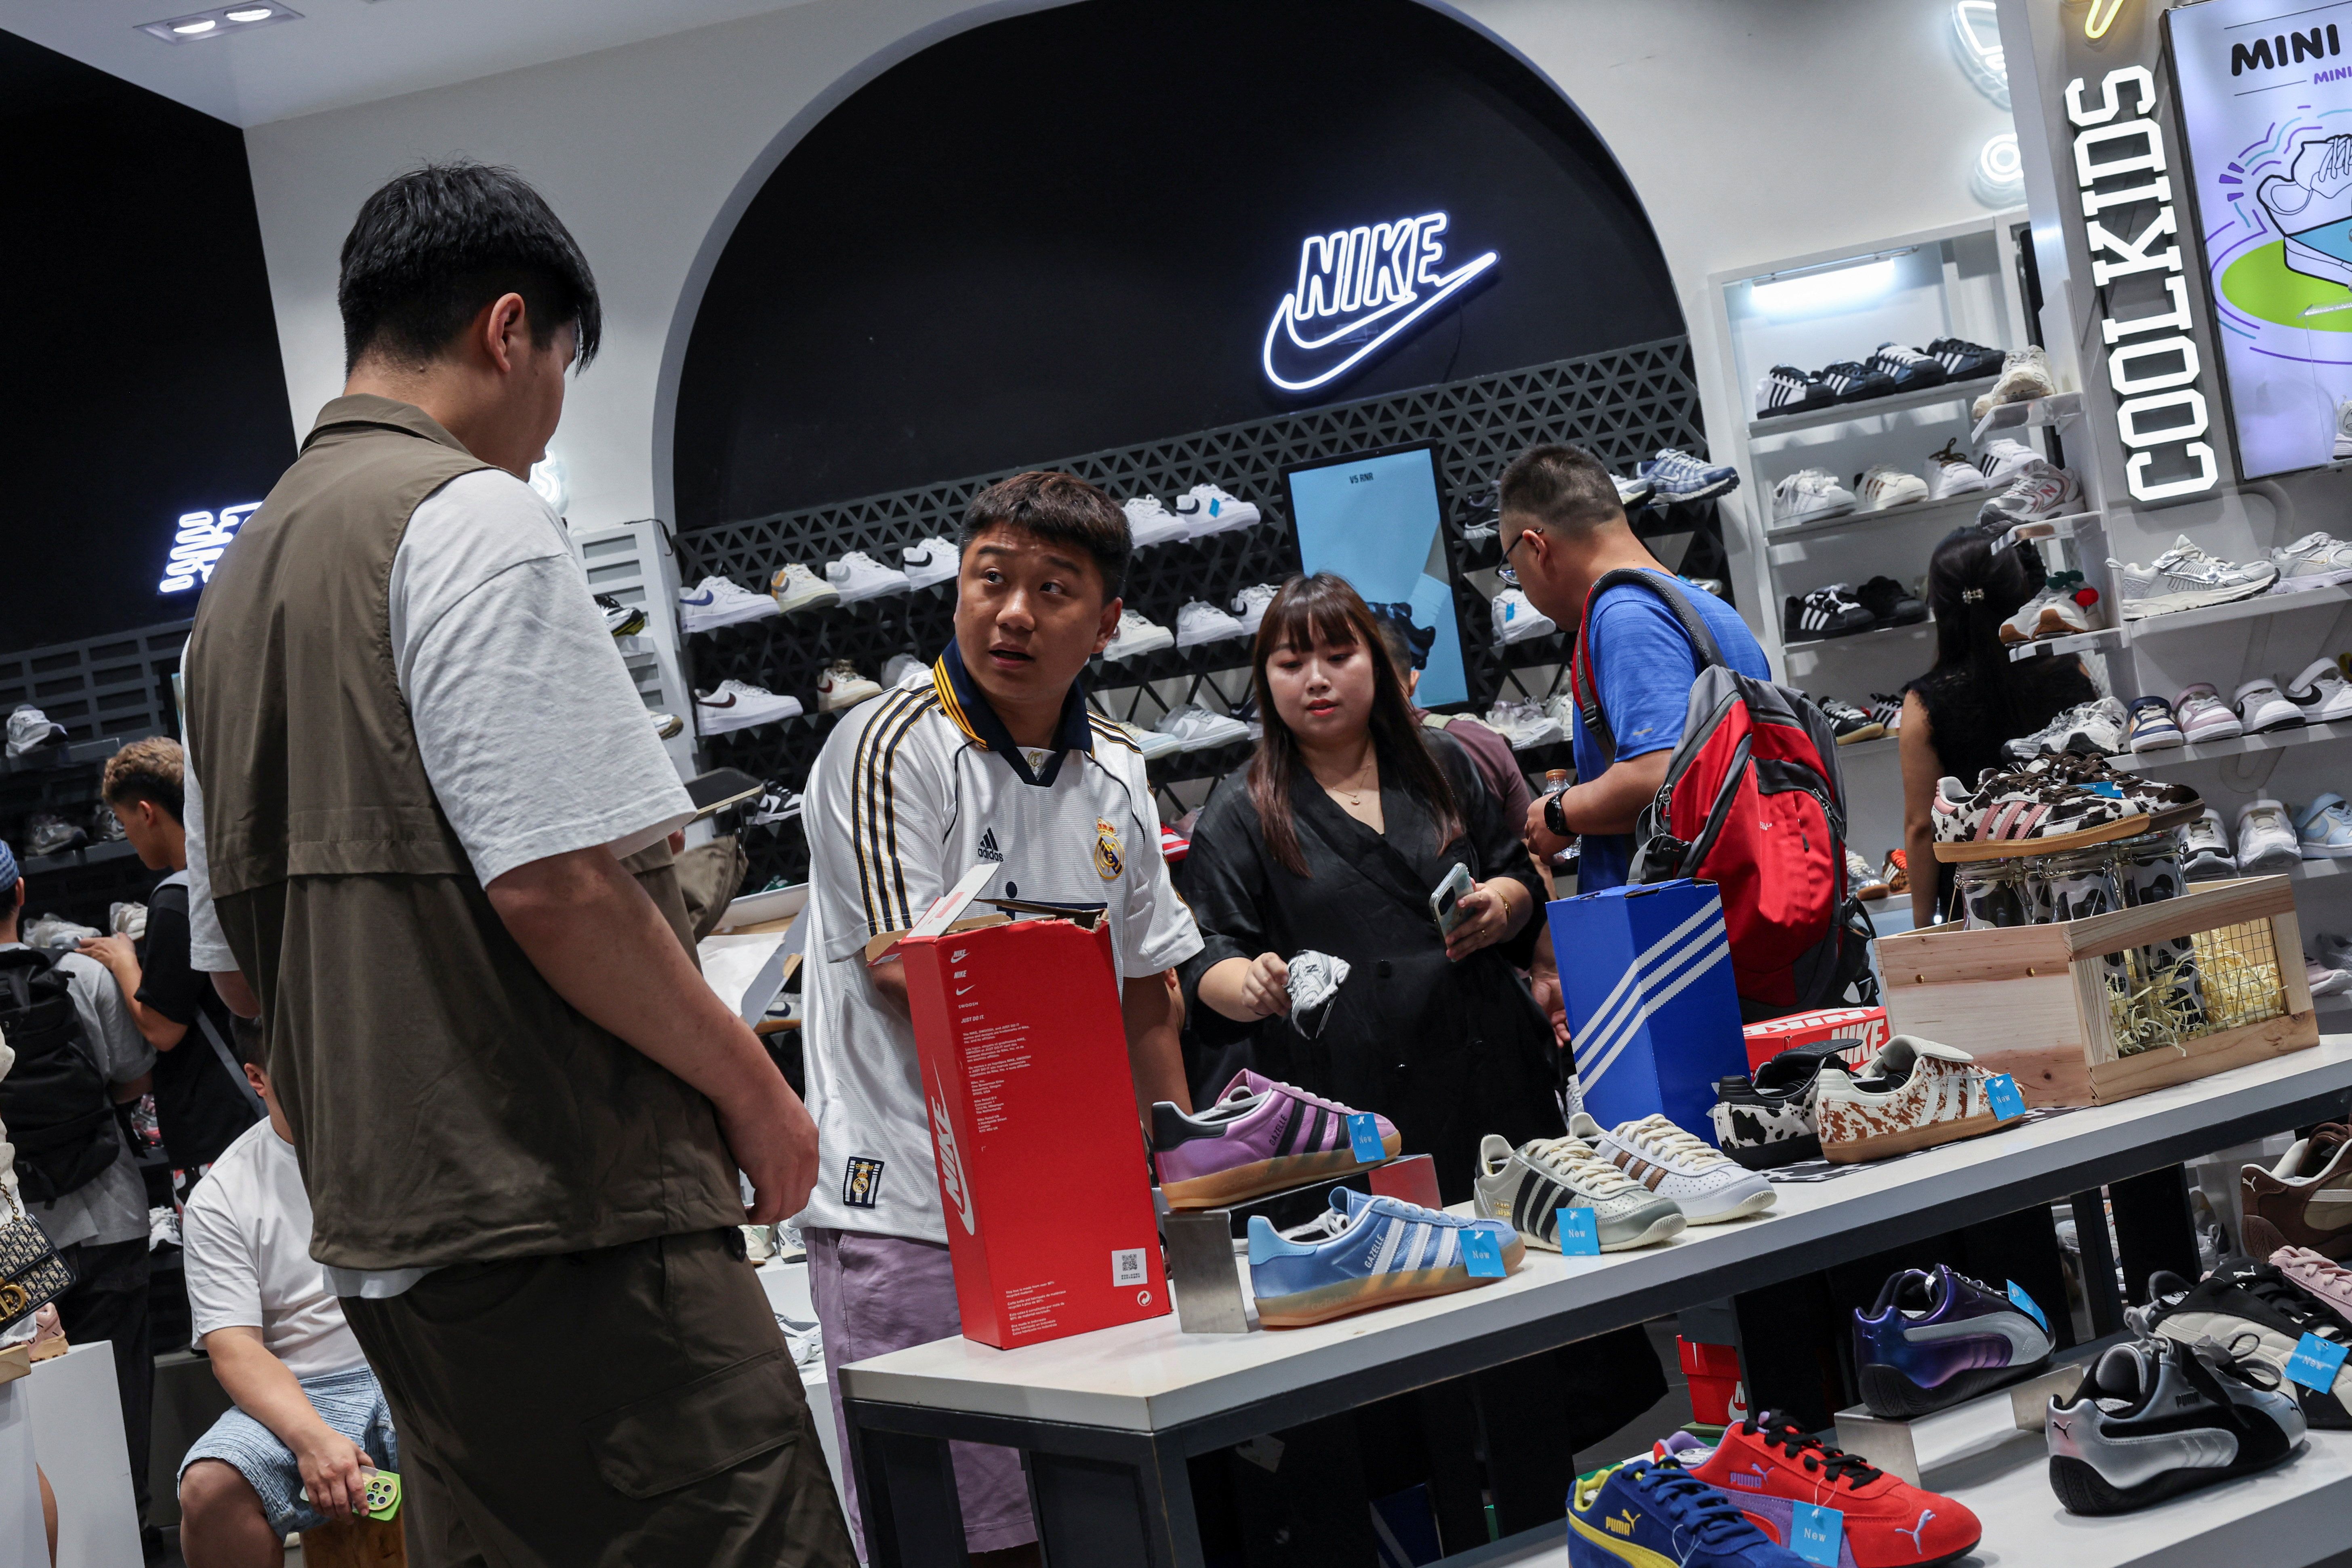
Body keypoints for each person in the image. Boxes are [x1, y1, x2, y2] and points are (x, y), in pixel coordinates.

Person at [179, 162, 850, 1566]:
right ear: (507, 330)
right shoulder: (469, 517)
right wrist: (755, 1094)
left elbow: (239, 978)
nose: (548, 428)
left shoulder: (229, 605)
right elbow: (559, 887)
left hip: (388, 1253)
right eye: (558, 372)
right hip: (570, 1226)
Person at [797, 470, 1199, 1563]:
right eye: (989, 580)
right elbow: (901, 969)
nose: (1013, 612)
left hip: (1084, 1215)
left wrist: (1182, 1174)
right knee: (959, 1540)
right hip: (912, 1212)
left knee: (1109, 1514)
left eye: (1052, 589)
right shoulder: (883, 748)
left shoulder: (1118, 765)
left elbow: (1144, 992)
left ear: (1106, 623)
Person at [1182, 574, 1559, 1198]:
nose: (1316, 679)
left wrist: (1501, 905)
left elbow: (1516, 872)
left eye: (1338, 656)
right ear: (1265, 678)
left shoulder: (1442, 762)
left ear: (1377, 664)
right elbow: (1207, 953)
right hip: (1349, 1101)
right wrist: (1249, 984)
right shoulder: (1240, 809)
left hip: (1488, 1066)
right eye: (1291, 662)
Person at [177, 1021, 399, 1567]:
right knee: (209, 1488)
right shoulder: (223, 1193)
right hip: (312, 1386)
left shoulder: (402, 1137)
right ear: (258, 1077)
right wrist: (312, 1438)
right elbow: (234, 1347)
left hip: (422, 1358)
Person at [1504, 445, 1770, 894]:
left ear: (1535, 546)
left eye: (1510, 568)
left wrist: (1557, 812)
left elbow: (1661, 775)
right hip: (1748, 901)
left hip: (1677, 931)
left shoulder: (1623, 612)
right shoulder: (1711, 609)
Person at [0, 840, 160, 1554]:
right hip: (111, 1212)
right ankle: (130, 1534)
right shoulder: (80, 976)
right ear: (23, 893)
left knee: (24, 1421)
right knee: (123, 1397)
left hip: (20, 1242)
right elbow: (131, 1076)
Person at [74, 737, 261, 1187]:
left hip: (213, 1126)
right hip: (254, 1104)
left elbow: (163, 1028)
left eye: (123, 822)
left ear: (146, 811)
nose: (128, 835)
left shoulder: (176, 901)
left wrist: (122, 960)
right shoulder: (227, 874)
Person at [1899, 525, 2097, 926]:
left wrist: (1923, 928)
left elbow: (1922, 826)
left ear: (1938, 603)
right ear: (2018, 587)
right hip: (2073, 882)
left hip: (1981, 899)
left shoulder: (1922, 703)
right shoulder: (2067, 669)